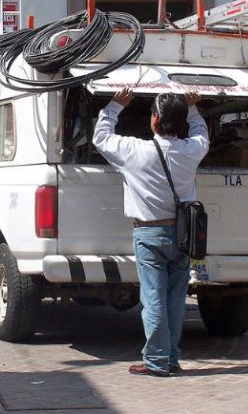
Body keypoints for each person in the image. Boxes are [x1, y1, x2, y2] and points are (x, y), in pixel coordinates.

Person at [93, 89, 209, 377]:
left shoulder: (135, 152)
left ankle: (157, 360)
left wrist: (115, 105)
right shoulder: (191, 151)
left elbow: (101, 137)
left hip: (149, 234)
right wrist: (192, 108)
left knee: (154, 299)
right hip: (183, 235)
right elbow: (202, 134)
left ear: (154, 120)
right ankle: (170, 357)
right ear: (179, 122)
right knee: (174, 300)